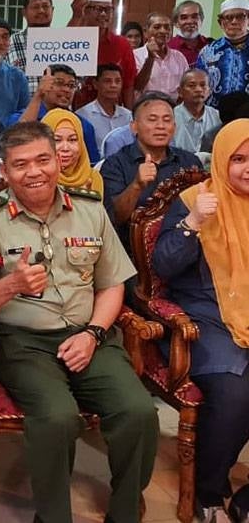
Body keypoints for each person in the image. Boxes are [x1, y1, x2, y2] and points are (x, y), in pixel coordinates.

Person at [0, 121, 158, 523]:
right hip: (22, 342)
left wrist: (93, 333)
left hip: (90, 335)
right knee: (56, 416)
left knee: (138, 412)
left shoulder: (88, 209)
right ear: (5, 172)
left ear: (58, 161)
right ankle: (51, 516)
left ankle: (124, 511)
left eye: (43, 160)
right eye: (21, 164)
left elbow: (112, 284)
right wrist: (12, 284)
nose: (34, 172)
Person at [153, 119, 249, 523]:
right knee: (234, 392)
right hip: (205, 316)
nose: (247, 168)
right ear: (223, 158)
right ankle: (208, 491)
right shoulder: (197, 198)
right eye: (239, 159)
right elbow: (163, 266)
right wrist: (193, 223)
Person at [100, 91, 202, 249]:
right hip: (131, 253)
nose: (160, 126)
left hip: (182, 249)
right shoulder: (115, 164)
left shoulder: (190, 162)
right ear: (134, 127)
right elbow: (114, 218)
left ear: (174, 127)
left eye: (167, 120)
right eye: (152, 120)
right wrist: (136, 185)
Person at [9, 64, 101, 163]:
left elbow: (92, 164)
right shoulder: (19, 118)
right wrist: (39, 95)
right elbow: (16, 143)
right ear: (43, 84)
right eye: (59, 83)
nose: (66, 90)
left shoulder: (83, 125)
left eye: (71, 85)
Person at [69, 0, 138, 108]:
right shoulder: (75, 38)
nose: (103, 14)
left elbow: (128, 85)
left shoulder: (122, 44)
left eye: (108, 9)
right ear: (86, 11)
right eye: (98, 9)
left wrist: (130, 114)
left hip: (111, 111)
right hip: (77, 107)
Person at [198, 0, 249, 108]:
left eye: (240, 17)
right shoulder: (207, 52)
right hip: (214, 118)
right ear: (220, 22)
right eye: (228, 17)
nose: (234, 21)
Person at [41, 109, 104, 194]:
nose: (66, 148)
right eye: (57, 140)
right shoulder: (38, 178)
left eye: (73, 139)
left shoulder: (92, 178)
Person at [75, 63, 133, 148]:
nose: (113, 85)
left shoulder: (128, 116)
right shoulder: (83, 115)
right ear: (95, 84)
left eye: (118, 81)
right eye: (107, 81)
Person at [133, 12, 188, 101]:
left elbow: (186, 87)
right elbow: (137, 86)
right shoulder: (135, 55)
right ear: (145, 32)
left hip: (173, 110)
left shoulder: (179, 57)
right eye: (157, 27)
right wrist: (150, 58)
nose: (163, 31)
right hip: (146, 108)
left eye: (167, 27)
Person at [8, 0, 54, 90]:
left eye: (45, 6)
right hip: (22, 105)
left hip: (57, 106)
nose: (41, 10)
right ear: (24, 12)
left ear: (53, 10)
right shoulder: (9, 42)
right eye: (35, 7)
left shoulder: (64, 41)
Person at [173, 68, 221, 154]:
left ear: (209, 91)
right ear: (180, 92)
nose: (198, 90)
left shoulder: (216, 116)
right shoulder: (172, 117)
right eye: (192, 86)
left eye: (203, 85)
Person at [168, 0, 213, 67]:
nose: (190, 21)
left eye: (194, 17)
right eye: (184, 18)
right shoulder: (168, 47)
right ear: (176, 23)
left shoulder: (212, 45)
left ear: (201, 20)